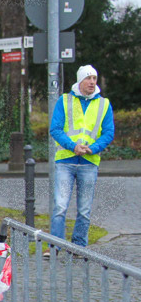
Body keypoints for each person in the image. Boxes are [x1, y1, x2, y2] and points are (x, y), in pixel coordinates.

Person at [48, 64, 114, 253]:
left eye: (94, 78)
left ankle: (79, 246)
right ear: (80, 80)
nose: (92, 82)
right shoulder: (65, 100)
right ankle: (56, 245)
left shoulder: (104, 104)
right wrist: (73, 146)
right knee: (60, 207)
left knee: (84, 210)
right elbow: (56, 129)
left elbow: (108, 132)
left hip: (89, 162)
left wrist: (92, 148)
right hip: (65, 161)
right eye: (88, 78)